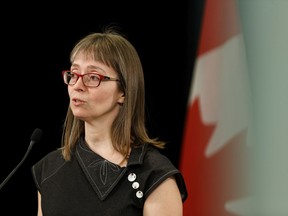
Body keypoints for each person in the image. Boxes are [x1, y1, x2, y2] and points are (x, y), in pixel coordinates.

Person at [31, 26, 187, 216]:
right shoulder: (49, 169)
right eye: (73, 74)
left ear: (123, 91)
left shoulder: (154, 176)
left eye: (92, 77)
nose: (77, 86)